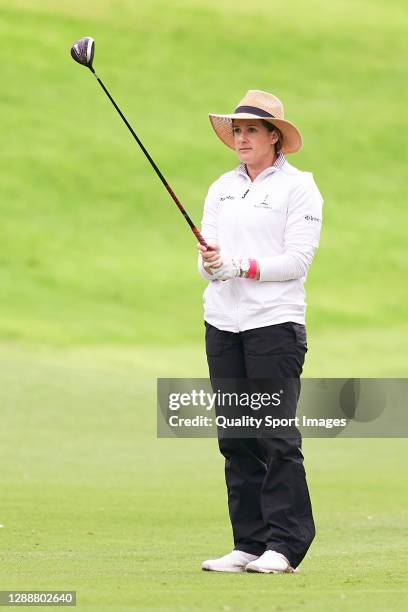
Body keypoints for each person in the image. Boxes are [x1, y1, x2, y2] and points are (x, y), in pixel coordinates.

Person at [197, 90, 323, 574]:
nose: (241, 137)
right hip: (223, 325)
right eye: (237, 130)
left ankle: (287, 546)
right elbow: (208, 262)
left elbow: (296, 262)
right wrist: (213, 263)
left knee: (275, 434)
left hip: (275, 325)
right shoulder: (221, 188)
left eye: (252, 130)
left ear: (275, 137)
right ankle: (249, 543)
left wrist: (238, 265)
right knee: (236, 437)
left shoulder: (300, 188)